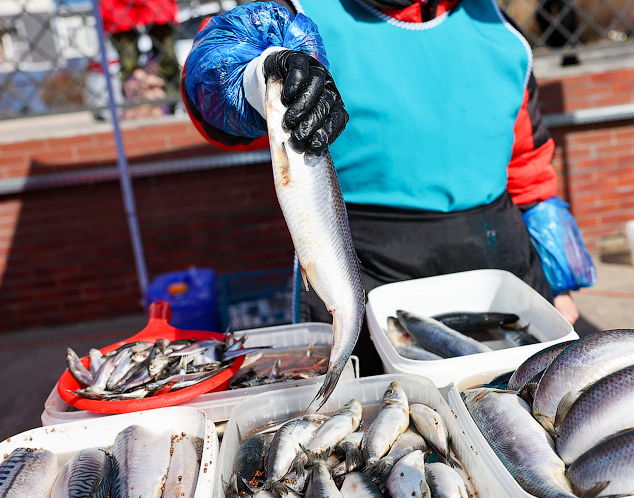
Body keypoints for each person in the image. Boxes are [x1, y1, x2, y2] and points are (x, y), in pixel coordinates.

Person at [181, 0, 581, 374]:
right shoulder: (300, 13)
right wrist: (262, 74)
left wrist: (558, 282)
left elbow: (529, 168)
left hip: (499, 261)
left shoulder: (500, 28)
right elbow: (214, 72)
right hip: (362, 264)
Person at [99, 0, 181, 102]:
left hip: (156, 4)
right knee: (129, 64)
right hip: (118, 5)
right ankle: (135, 102)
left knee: (167, 58)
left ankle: (172, 99)